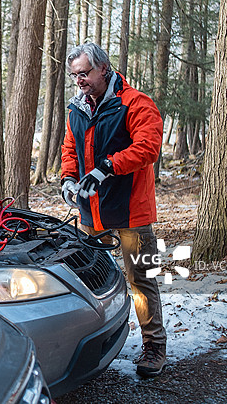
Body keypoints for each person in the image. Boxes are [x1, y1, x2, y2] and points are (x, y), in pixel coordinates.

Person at [60, 42, 167, 378]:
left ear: (103, 68)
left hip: (131, 212)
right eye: (75, 74)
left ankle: (154, 347)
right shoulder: (77, 108)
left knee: (141, 281)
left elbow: (148, 148)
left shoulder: (135, 103)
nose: (80, 80)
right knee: (90, 279)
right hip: (91, 213)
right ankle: (95, 341)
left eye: (85, 72)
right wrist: (67, 178)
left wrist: (107, 166)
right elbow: (70, 149)